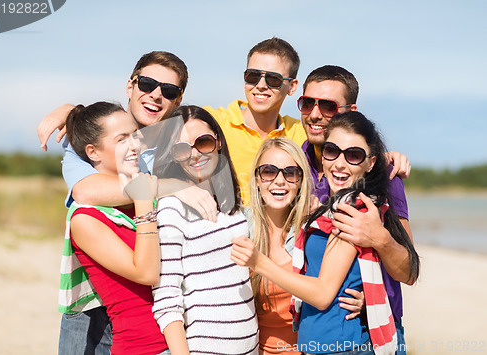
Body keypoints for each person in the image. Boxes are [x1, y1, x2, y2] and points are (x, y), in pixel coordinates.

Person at [44, 51, 216, 355]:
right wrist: (174, 187)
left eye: (169, 91)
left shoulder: (178, 144)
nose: (156, 95)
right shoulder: (89, 136)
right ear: (130, 85)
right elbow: (87, 191)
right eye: (147, 83)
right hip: (93, 305)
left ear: (178, 100)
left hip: (157, 307)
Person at [232, 111, 420, 354]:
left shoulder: (354, 211)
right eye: (332, 151)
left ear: (371, 162)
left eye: (354, 155)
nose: (340, 163)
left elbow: (322, 293)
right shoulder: (325, 210)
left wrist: (259, 262)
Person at [298, 65, 417, 352]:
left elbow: (409, 270)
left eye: (327, 106)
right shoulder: (293, 167)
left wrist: (375, 292)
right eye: (307, 103)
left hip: (367, 330)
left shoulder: (383, 177)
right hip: (310, 329)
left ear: (351, 110)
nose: (315, 114)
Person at [151, 105, 259, 354]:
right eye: (181, 149)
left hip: (250, 346)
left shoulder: (232, 200)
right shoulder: (172, 207)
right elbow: (167, 296)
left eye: (204, 142)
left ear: (218, 142)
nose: (195, 154)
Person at [64, 101, 169, 354]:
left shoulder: (147, 197)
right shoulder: (86, 218)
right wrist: (143, 199)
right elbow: (145, 273)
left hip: (182, 341)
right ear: (93, 152)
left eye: (135, 135)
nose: (135, 145)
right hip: (144, 346)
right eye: (122, 139)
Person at [204, 37, 307, 205]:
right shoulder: (213, 122)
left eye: (273, 79)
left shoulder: (301, 132)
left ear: (292, 86)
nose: (260, 85)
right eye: (253, 76)